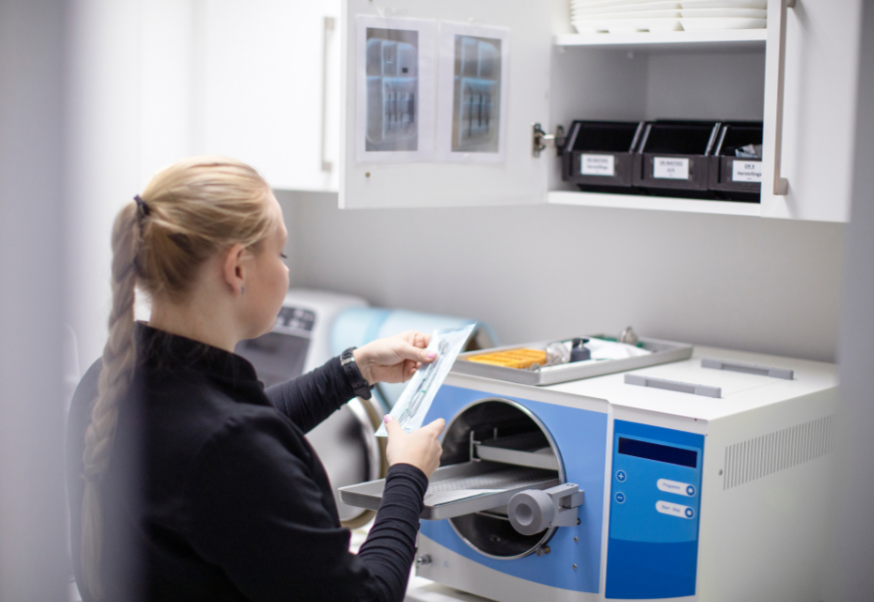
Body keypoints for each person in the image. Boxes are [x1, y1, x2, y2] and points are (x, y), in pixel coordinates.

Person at [66, 156, 446, 602]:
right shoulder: (228, 449)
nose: (286, 270)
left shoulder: (111, 380)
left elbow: (234, 428)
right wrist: (406, 475)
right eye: (281, 254)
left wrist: (351, 369)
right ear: (237, 268)